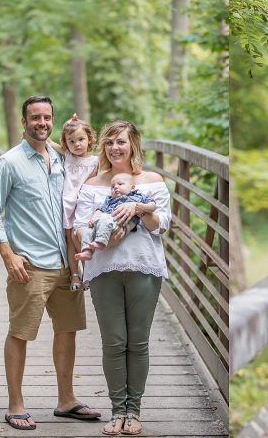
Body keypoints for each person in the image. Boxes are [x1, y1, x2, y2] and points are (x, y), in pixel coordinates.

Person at [0, 96, 101, 431]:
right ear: (24, 122)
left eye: (47, 117)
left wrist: (73, 130)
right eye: (35, 118)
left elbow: (93, 156)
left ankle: (66, 400)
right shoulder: (9, 163)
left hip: (67, 261)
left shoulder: (63, 156)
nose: (41, 123)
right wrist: (8, 255)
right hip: (30, 264)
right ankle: (15, 405)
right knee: (20, 332)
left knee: (68, 330)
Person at [73, 120, 170, 436]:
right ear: (103, 147)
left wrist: (139, 208)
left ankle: (134, 412)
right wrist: (101, 237)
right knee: (114, 342)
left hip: (144, 269)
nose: (115, 148)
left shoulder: (152, 182)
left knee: (138, 342)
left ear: (134, 146)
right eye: (110, 142)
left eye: (122, 142)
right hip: (105, 271)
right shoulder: (92, 184)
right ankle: (117, 411)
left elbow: (161, 225)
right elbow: (78, 228)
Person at [49, 114, 99, 289]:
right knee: (70, 239)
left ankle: (88, 272)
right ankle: (75, 275)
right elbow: (50, 143)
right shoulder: (68, 156)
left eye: (81, 139)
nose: (77, 144)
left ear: (89, 139)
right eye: (71, 141)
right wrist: (66, 125)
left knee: (81, 237)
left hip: (85, 206)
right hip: (68, 205)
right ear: (66, 144)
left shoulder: (96, 161)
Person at [75, 172, 156, 264]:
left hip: (123, 222)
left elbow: (152, 206)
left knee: (105, 219)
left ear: (132, 187)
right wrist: (93, 219)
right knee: (88, 230)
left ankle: (101, 242)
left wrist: (139, 207)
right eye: (112, 187)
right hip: (105, 222)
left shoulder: (139, 196)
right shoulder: (109, 199)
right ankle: (87, 251)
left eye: (120, 184)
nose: (115, 187)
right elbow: (100, 210)